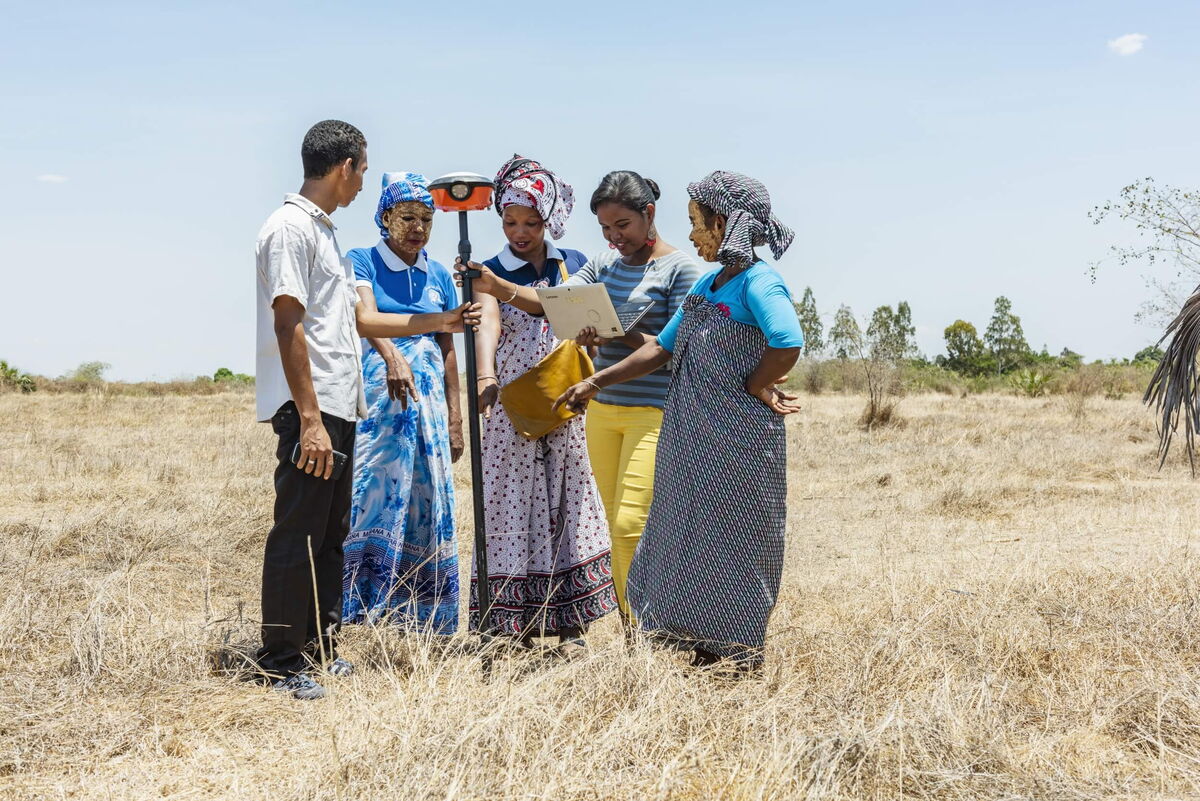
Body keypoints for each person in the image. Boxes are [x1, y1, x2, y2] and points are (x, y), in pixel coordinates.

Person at [554, 170, 804, 672]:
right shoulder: (710, 284)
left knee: (735, 541)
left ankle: (739, 655)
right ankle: (702, 645)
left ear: (725, 223)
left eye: (697, 222)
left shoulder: (759, 282)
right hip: (691, 435)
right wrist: (595, 383)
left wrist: (756, 384)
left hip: (738, 438)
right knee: (689, 537)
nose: (691, 235)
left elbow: (787, 341)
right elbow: (660, 348)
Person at [456, 171, 700, 623]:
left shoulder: (679, 269)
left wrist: (612, 333)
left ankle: (647, 624)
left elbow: (674, 348)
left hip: (653, 411)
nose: (614, 237)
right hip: (602, 413)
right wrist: (497, 287)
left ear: (648, 213)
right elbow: (551, 303)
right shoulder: (603, 265)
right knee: (607, 522)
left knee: (631, 524)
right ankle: (631, 632)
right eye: (605, 228)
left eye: (622, 225)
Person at [468, 155, 617, 654]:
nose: (520, 232)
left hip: (566, 401)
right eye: (510, 222)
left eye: (530, 223)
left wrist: (592, 338)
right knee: (514, 505)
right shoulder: (489, 271)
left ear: (548, 219)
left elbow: (588, 322)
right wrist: (486, 375)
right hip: (512, 403)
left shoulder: (571, 263)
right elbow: (488, 322)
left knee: (567, 504)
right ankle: (516, 628)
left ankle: (572, 626)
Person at [253, 119, 370, 700]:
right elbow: (288, 323)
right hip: (312, 408)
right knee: (297, 533)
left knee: (329, 535)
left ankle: (319, 647)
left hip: (338, 404)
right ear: (344, 166)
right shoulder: (289, 228)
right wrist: (310, 419)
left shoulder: (323, 232)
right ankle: (279, 662)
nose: (362, 182)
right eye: (362, 170)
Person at [341, 172, 480, 636]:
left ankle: (421, 614)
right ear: (385, 217)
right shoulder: (362, 260)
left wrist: (456, 418)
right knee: (371, 492)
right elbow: (365, 319)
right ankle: (359, 606)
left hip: (431, 402)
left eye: (426, 219)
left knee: (428, 496)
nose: (418, 228)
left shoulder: (438, 274)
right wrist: (393, 354)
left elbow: (448, 349)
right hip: (382, 400)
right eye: (407, 217)